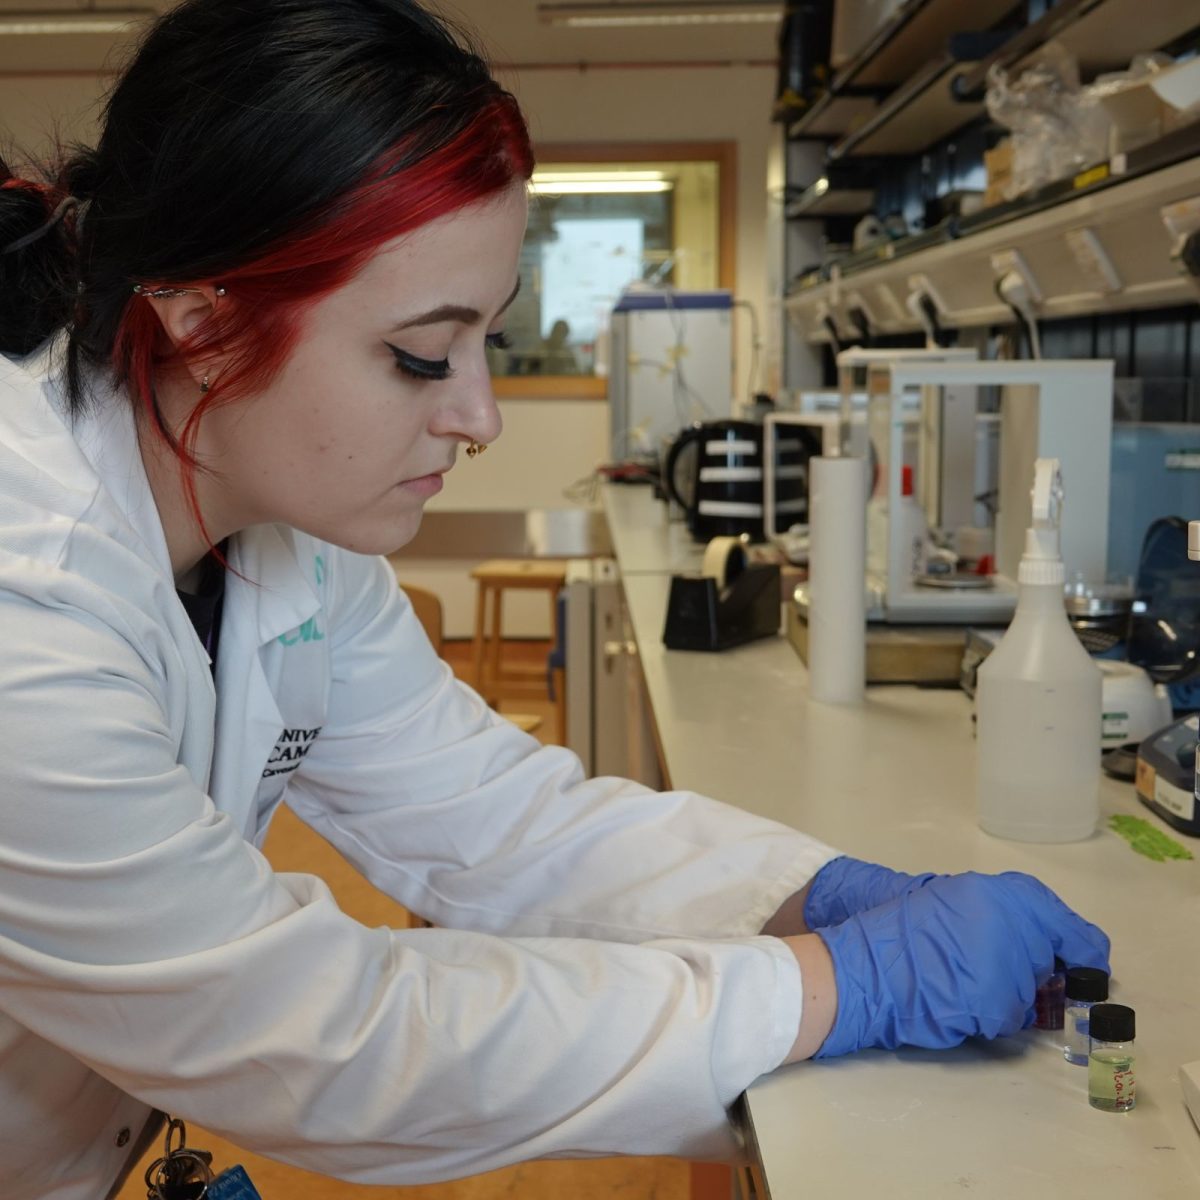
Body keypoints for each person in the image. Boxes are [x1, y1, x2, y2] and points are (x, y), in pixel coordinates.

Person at [0, 3, 1110, 1198]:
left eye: (489, 341)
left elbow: (497, 816)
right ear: (205, 320)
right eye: (424, 355)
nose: (480, 415)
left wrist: (813, 895)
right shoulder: (26, 602)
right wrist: (845, 988)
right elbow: (323, 1038)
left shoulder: (282, 537)